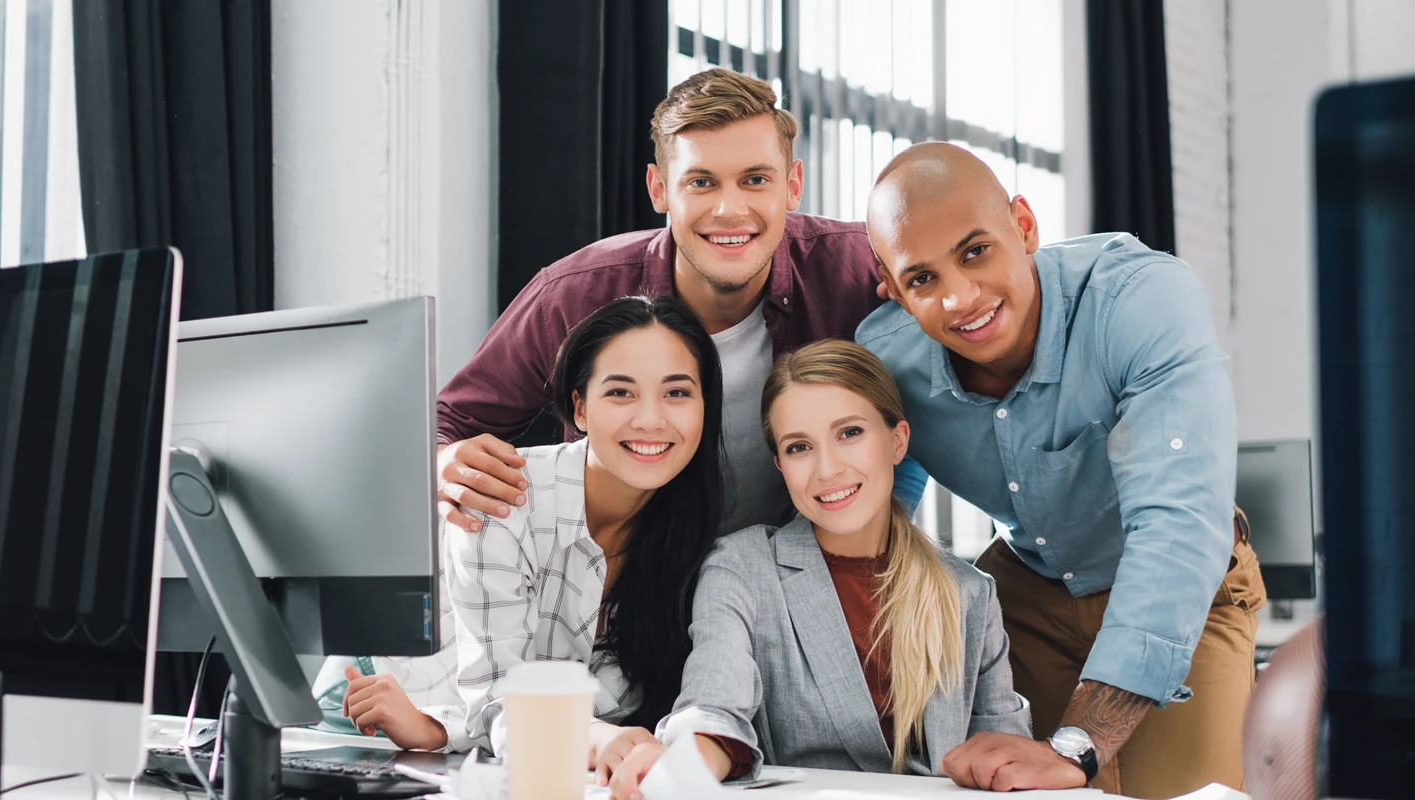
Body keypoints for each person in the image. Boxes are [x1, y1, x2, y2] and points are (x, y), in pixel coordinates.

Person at [857, 142, 1265, 797]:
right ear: (892, 288)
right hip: (1025, 597)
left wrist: (1079, 744)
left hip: (1189, 583)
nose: (960, 298)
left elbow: (1178, 526)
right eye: (922, 279)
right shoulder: (885, 359)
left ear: (1023, 226)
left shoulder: (1139, 298)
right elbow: (876, 513)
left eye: (974, 251)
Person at [599, 340, 1081, 798]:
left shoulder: (969, 592)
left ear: (897, 442)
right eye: (799, 447)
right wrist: (682, 768)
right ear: (780, 466)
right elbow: (713, 705)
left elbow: (1006, 752)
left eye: (849, 433)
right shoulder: (742, 567)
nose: (827, 469)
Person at [434, 68, 886, 539]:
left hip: (790, 580)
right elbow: (448, 423)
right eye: (701, 183)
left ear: (793, 185)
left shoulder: (861, 267)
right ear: (659, 189)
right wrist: (446, 462)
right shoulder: (574, 293)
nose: (729, 210)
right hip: (623, 580)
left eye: (755, 179)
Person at [336, 296, 725, 759]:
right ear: (579, 409)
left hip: (459, 739)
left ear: (706, 406)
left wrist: (442, 730)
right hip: (372, 698)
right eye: (620, 392)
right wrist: (596, 739)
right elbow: (500, 699)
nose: (650, 420)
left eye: (677, 393)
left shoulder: (693, 539)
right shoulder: (503, 498)